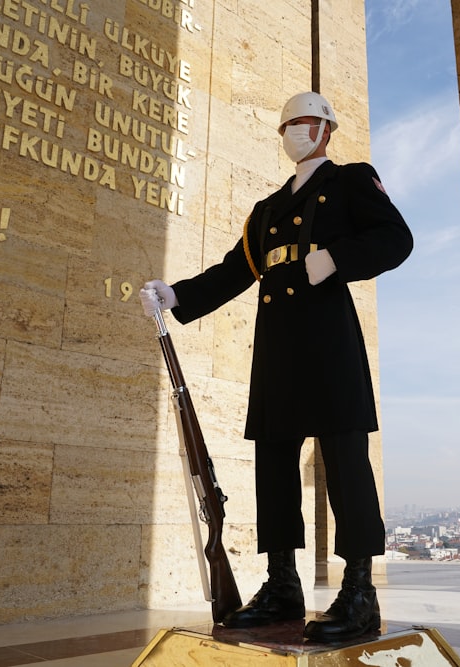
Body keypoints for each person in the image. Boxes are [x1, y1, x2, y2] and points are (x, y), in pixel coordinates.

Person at [141, 91, 412, 643]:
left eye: (305, 121)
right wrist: (176, 295)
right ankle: (281, 583)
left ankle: (359, 590)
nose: (294, 129)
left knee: (345, 465)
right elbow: (232, 272)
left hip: (330, 343)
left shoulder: (352, 181)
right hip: (280, 350)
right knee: (275, 468)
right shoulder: (265, 211)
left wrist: (336, 259)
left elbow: (395, 238)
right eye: (287, 123)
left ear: (327, 129)